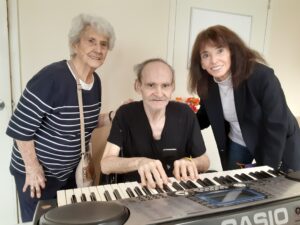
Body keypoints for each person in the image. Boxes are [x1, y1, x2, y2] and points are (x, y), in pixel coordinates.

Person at [6, 14, 116, 222]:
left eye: (104, 44)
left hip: (69, 172)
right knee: (40, 221)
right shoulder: (52, 77)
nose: (99, 49)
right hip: (37, 173)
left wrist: (112, 116)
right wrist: (33, 169)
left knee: (69, 219)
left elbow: (84, 122)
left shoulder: (95, 82)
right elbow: (20, 128)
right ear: (75, 44)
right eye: (91, 41)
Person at [188, 25, 300, 172]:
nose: (213, 60)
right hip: (239, 140)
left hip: (276, 139)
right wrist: (180, 122)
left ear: (232, 52)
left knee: (280, 189)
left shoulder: (262, 76)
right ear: (201, 63)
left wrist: (267, 170)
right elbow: (204, 116)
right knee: (233, 185)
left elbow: (277, 124)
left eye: (220, 51)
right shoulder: (207, 85)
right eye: (206, 55)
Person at [101, 58, 210, 189]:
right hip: (133, 192)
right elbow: (105, 165)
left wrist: (191, 162)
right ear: (138, 86)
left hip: (176, 193)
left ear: (172, 87)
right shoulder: (125, 114)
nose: (159, 93)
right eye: (151, 85)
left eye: (165, 85)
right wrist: (139, 162)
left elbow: (205, 161)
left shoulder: (185, 113)